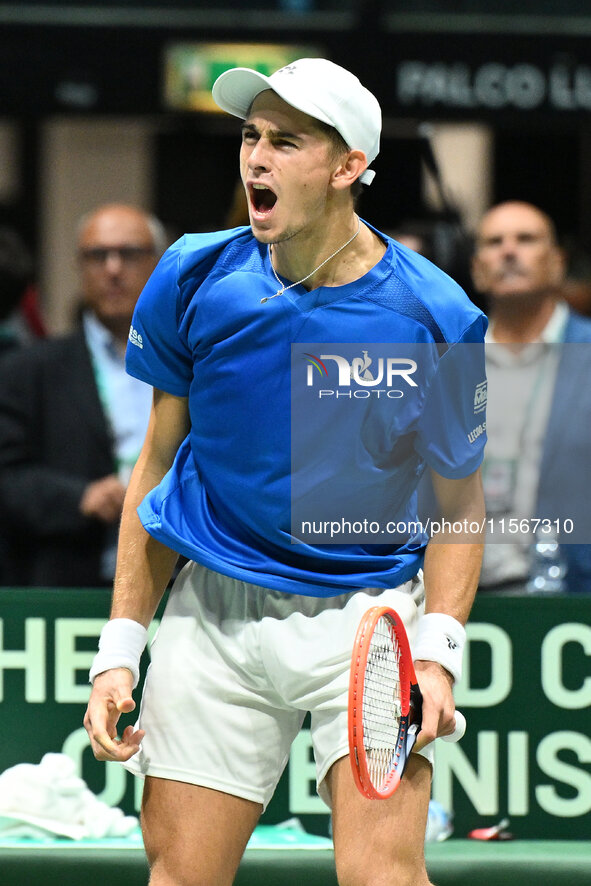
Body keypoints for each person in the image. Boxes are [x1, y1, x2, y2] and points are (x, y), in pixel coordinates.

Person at [84, 59, 487, 886]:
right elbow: (157, 466)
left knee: (384, 877)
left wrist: (439, 654)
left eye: (285, 141)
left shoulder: (437, 316)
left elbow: (458, 503)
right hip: (214, 613)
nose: (254, 159)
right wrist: (120, 648)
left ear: (346, 168)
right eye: (250, 136)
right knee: (180, 877)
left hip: (366, 615)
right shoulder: (193, 277)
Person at [0, 203, 167, 587]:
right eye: (97, 255)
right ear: (79, 266)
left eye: (128, 253)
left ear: (157, 263)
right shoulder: (29, 371)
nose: (112, 268)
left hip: (176, 581)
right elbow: (7, 478)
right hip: (66, 582)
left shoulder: (196, 367)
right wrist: (80, 497)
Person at [471, 200, 591, 593]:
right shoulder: (448, 360)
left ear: (557, 262)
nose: (508, 250)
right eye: (493, 242)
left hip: (572, 597)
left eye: (525, 239)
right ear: (476, 269)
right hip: (463, 600)